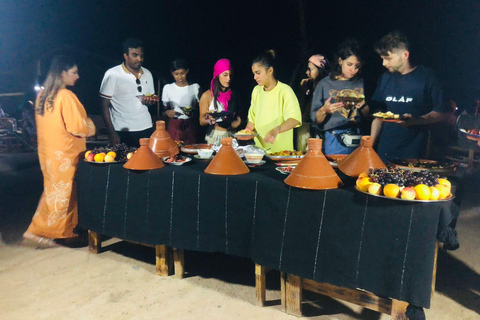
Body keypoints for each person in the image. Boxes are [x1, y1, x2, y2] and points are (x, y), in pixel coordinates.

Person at [23, 56, 96, 247]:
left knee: (54, 192)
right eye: (74, 72)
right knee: (65, 194)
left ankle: (59, 231)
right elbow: (78, 127)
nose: (77, 76)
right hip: (66, 154)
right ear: (62, 73)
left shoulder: (43, 96)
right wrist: (91, 126)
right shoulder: (65, 96)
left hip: (49, 153)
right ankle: (43, 231)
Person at [370, 31, 450, 163]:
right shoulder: (385, 78)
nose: (384, 63)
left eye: (388, 58)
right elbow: (379, 116)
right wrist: (370, 146)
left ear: (405, 55)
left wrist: (417, 120)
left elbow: (443, 112)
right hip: (384, 153)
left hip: (415, 155)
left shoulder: (428, 77)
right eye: (382, 58)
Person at [311, 40, 369, 155]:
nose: (353, 70)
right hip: (334, 138)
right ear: (340, 61)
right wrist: (324, 110)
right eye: (349, 64)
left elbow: (368, 117)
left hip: (357, 136)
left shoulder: (361, 82)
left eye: (357, 66)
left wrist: (363, 106)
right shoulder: (325, 84)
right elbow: (316, 120)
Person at [100, 38, 156, 147]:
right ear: (126, 56)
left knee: (146, 163)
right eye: (135, 55)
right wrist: (111, 132)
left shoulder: (147, 73)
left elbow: (151, 99)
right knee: (123, 163)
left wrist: (149, 101)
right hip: (121, 130)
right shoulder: (113, 74)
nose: (139, 59)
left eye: (141, 55)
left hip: (145, 127)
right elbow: (103, 104)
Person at [245, 50, 302, 152]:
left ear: (270, 71)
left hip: (280, 152)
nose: (255, 77)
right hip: (258, 151)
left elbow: (294, 119)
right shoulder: (256, 91)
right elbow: (252, 120)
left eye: (258, 73)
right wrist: (246, 133)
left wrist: (276, 130)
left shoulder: (285, 91)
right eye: (254, 73)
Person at [199, 59, 241, 144]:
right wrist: (208, 118)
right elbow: (201, 121)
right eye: (225, 75)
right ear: (217, 75)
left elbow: (240, 116)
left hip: (231, 136)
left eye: (230, 75)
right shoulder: (207, 95)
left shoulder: (234, 95)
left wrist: (236, 123)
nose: (228, 78)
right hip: (214, 136)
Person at [162, 59, 201, 144]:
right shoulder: (168, 88)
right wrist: (167, 112)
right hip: (174, 125)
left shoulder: (194, 87)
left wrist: (193, 112)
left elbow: (201, 108)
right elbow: (164, 110)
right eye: (176, 74)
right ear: (172, 73)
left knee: (190, 149)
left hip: (190, 125)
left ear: (187, 72)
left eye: (182, 74)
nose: (180, 77)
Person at [296, 54, 328, 151]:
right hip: (308, 127)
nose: (307, 72)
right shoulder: (309, 85)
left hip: (321, 130)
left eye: (310, 69)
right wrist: (304, 91)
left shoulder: (325, 86)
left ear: (320, 70)